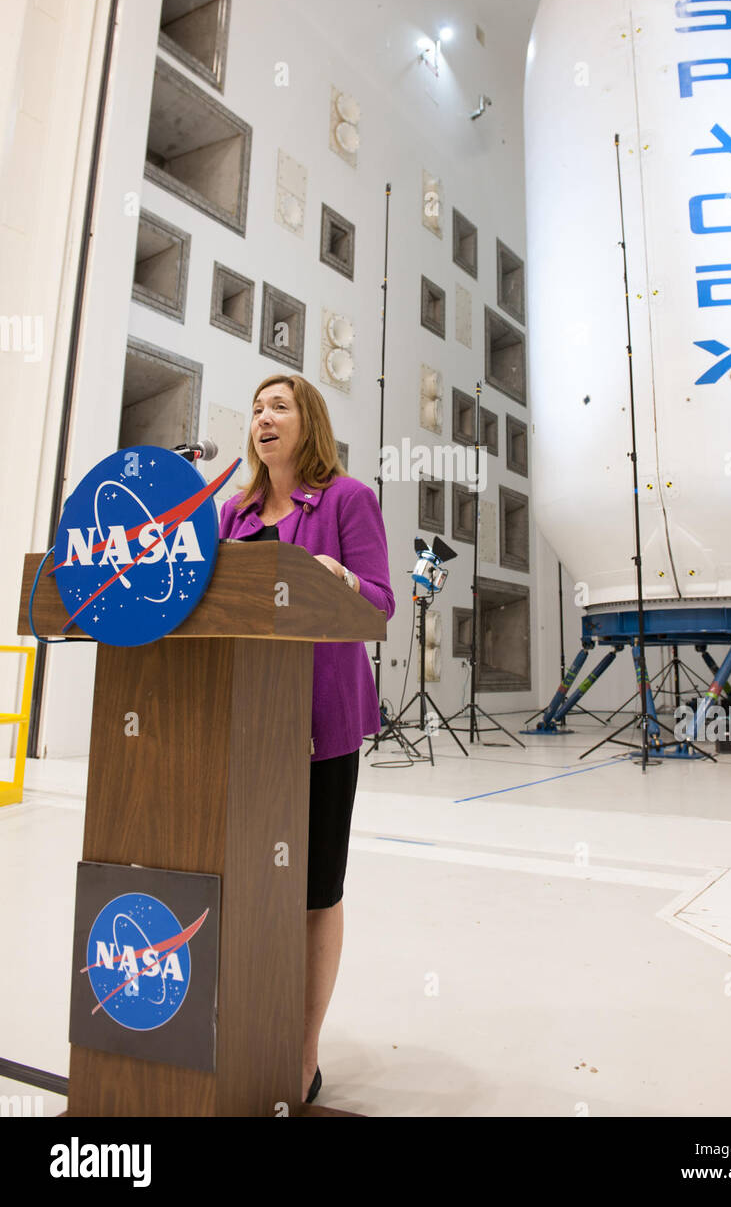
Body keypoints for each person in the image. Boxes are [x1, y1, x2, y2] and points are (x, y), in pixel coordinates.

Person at [218, 373, 395, 1106]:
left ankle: (302, 1049)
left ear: (308, 421)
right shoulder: (232, 514)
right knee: (247, 881)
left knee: (315, 888)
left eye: (279, 406)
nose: (264, 417)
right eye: (256, 408)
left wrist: (340, 580)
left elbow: (381, 602)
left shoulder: (347, 500)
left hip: (321, 723)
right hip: (244, 725)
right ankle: (241, 1030)